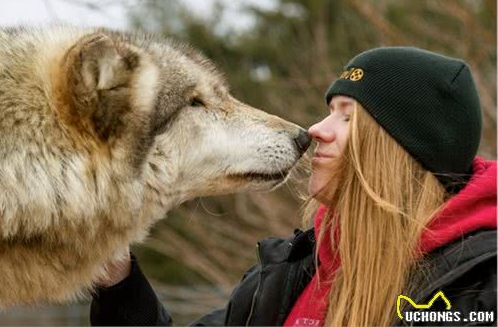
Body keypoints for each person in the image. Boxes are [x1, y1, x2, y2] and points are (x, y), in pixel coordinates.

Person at [89, 47, 497, 326]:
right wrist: (117, 275)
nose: (316, 130)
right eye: (327, 112)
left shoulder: (482, 289)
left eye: (348, 117)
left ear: (401, 147)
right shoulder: (290, 272)